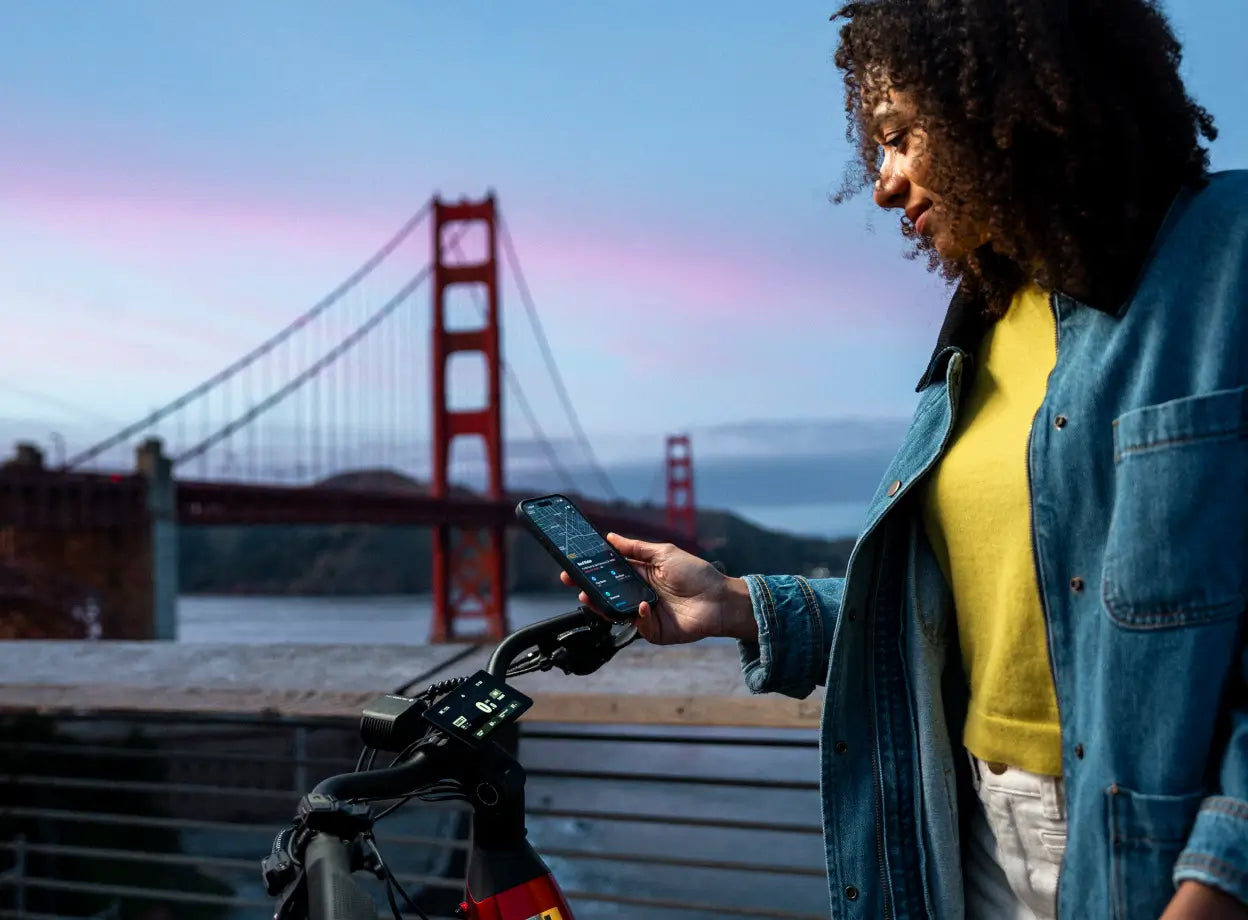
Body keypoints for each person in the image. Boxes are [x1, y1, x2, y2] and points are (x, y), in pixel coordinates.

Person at [561, 1, 1248, 917]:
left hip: (1160, 864)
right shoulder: (985, 326)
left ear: (1004, 104)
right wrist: (733, 605)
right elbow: (955, 603)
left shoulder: (1229, 261)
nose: (880, 184)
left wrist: (1221, 879)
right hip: (967, 844)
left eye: (896, 137)